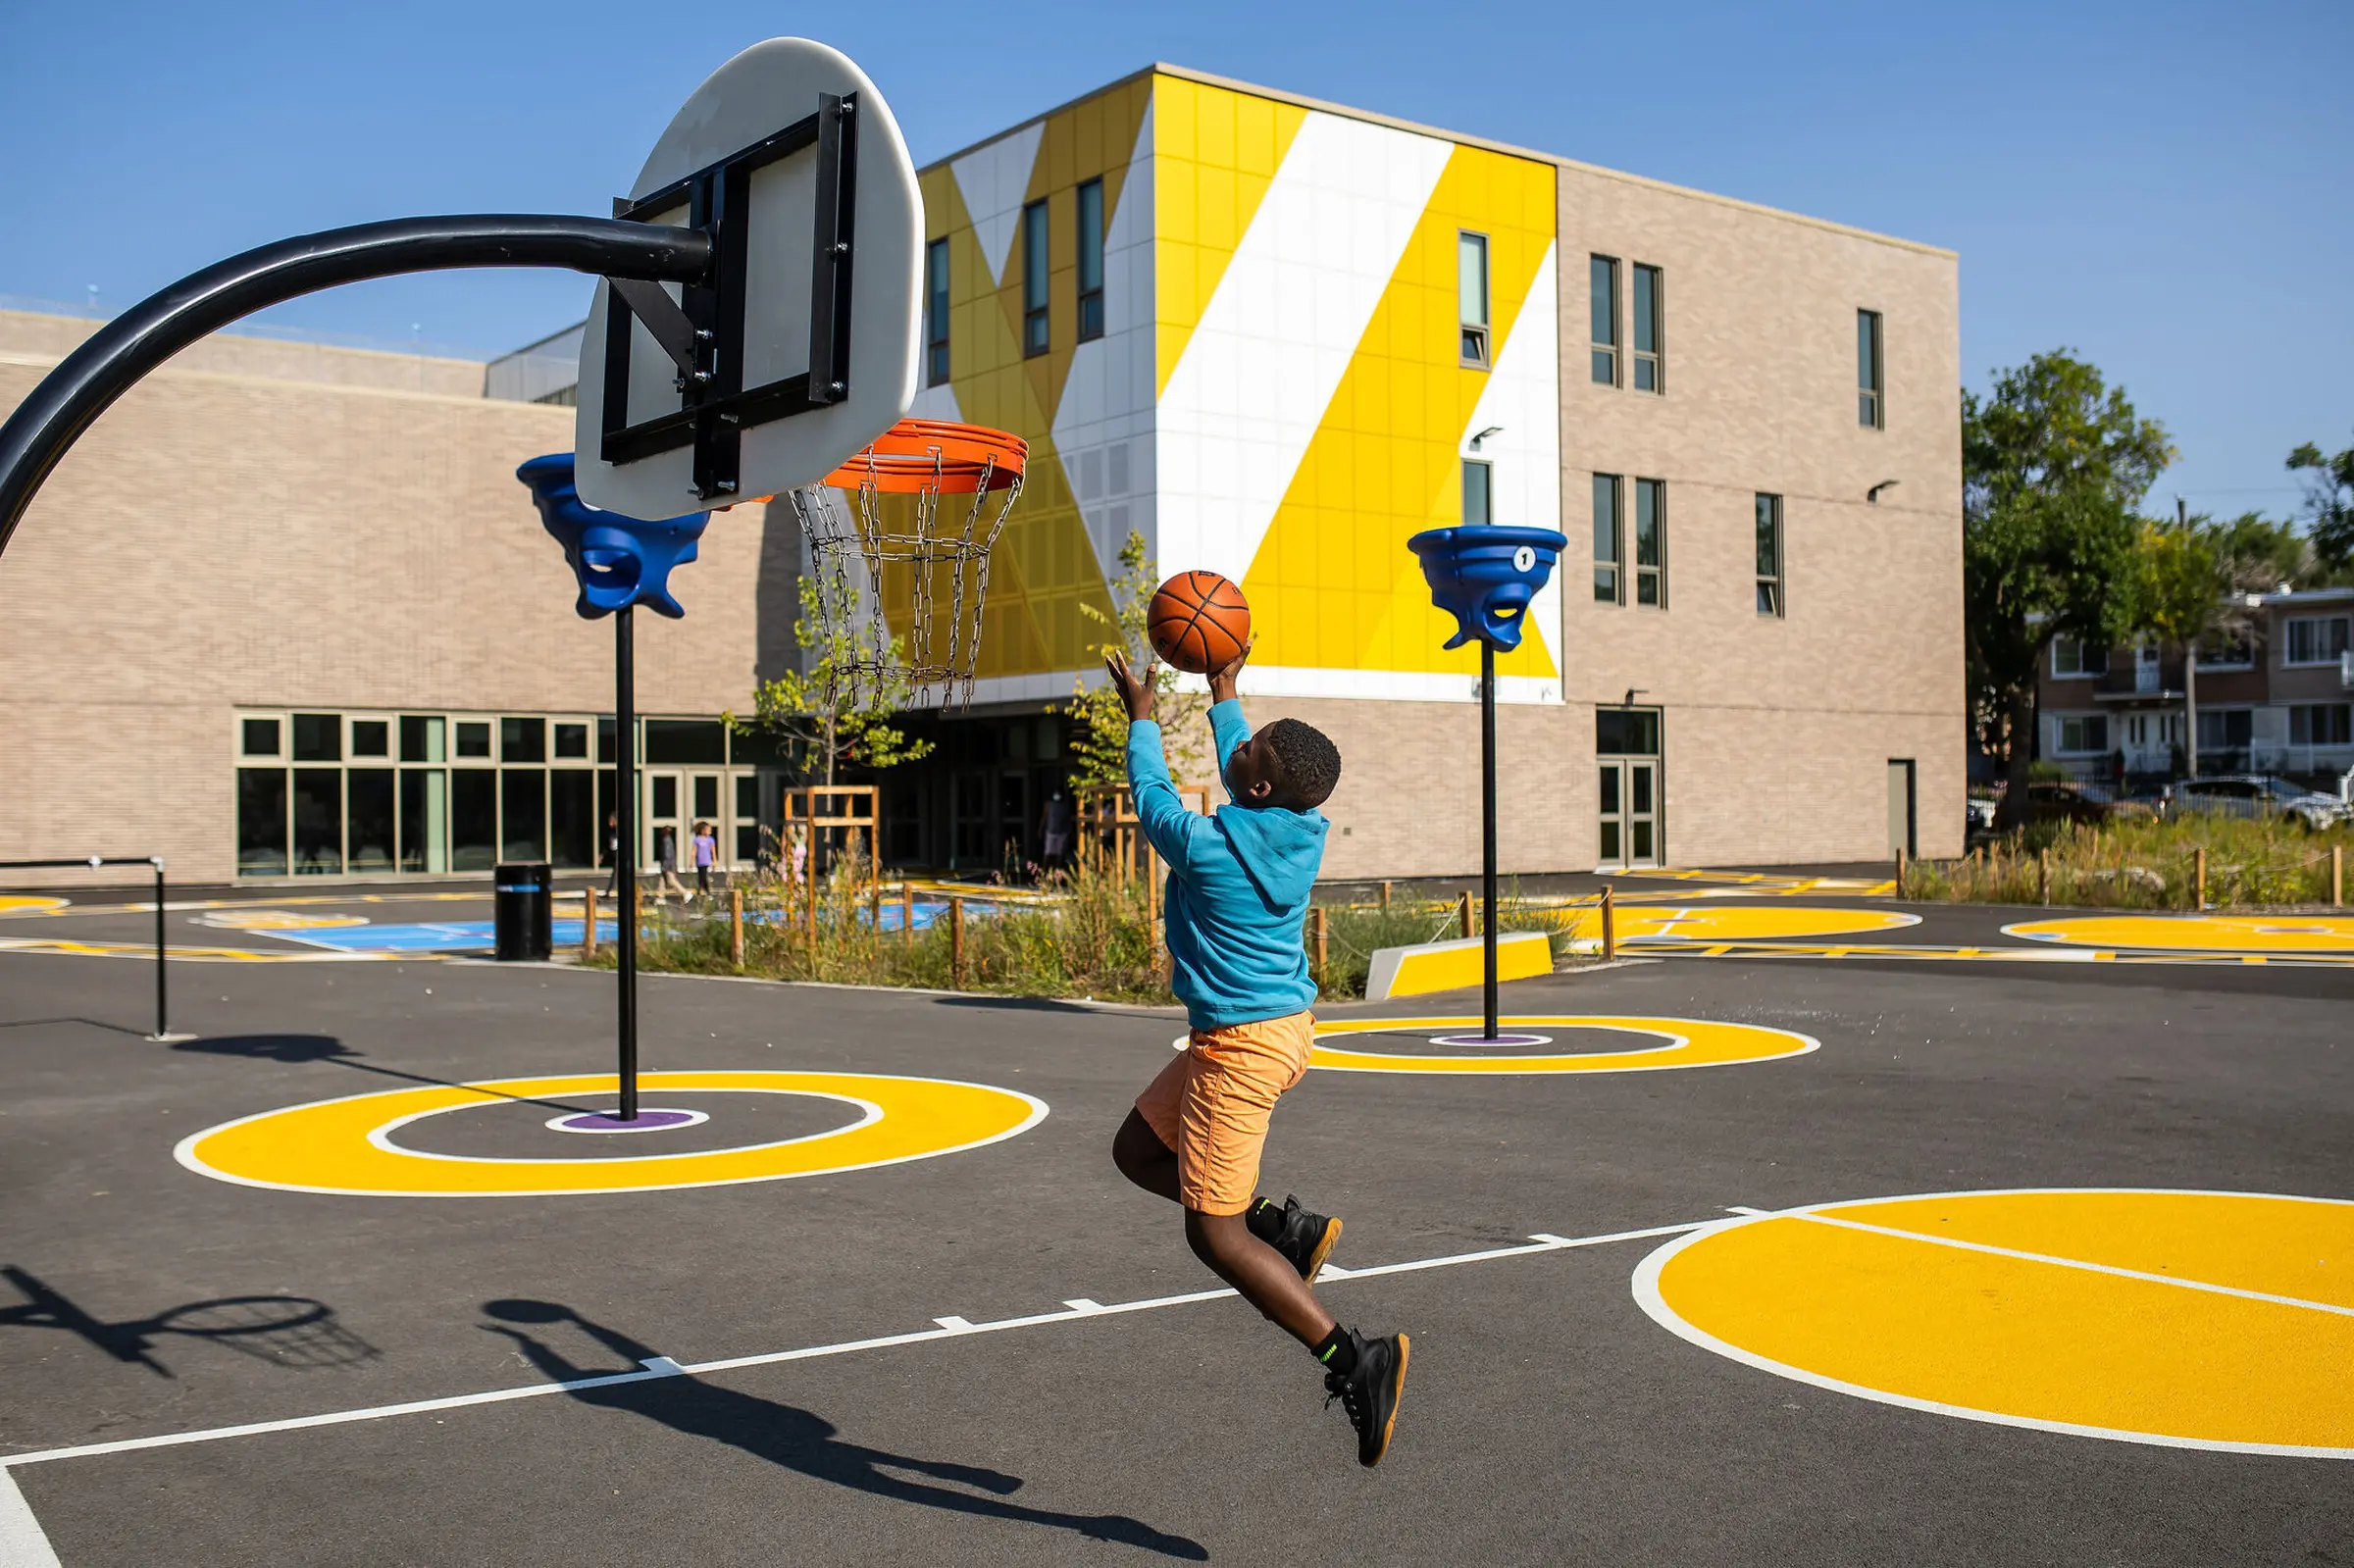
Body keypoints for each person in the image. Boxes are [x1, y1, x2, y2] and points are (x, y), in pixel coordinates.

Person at [1103, 641, 1408, 1468]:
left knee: (1213, 1237)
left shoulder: (1205, 849)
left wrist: (1141, 717)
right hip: (1264, 1032)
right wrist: (1224, 690)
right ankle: (1284, 1225)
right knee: (1137, 1151)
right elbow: (1257, 767)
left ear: (1258, 784)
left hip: (1238, 1050)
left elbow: (1152, 797)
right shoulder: (1298, 826)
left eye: (1246, 745)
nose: (1237, 744)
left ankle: (1356, 1357)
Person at [653, 825, 689, 905]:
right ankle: (660, 897)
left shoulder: (666, 841)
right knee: (662, 880)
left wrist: (665, 867)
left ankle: (684, 892)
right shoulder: (668, 840)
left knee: (671, 881)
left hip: (668, 865)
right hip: (669, 864)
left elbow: (667, 855)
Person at [1040, 787, 1073, 870]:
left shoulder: (1065, 806)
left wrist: (1069, 832)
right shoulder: (1048, 804)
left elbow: (1067, 820)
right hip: (1050, 831)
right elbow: (1044, 817)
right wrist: (1040, 829)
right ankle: (1045, 870)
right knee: (1048, 852)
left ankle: (1057, 871)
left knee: (1059, 853)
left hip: (1061, 832)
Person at [691, 820, 718, 899]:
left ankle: (705, 890)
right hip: (700, 860)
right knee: (701, 876)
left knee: (704, 875)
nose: (709, 831)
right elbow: (694, 850)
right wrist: (691, 861)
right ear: (702, 830)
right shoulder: (697, 839)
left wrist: (714, 861)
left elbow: (713, 851)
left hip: (706, 861)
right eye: (708, 830)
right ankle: (701, 889)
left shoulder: (710, 840)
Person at [601, 812, 623, 897]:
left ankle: (609, 891)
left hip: (619, 854)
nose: (609, 822)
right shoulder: (611, 831)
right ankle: (610, 891)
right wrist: (602, 855)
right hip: (614, 853)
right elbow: (608, 845)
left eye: (611, 820)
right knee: (616, 872)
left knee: (616, 873)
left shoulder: (619, 830)